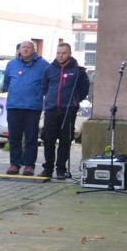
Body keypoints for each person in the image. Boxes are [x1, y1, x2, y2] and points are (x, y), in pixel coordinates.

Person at [39, 43, 90, 179]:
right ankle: (48, 168)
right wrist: (50, 99)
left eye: (64, 53)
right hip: (51, 110)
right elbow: (44, 87)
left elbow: (84, 89)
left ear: (70, 53)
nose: (60, 56)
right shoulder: (49, 69)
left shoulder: (78, 71)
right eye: (58, 53)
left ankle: (61, 169)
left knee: (65, 141)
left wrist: (74, 100)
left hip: (68, 110)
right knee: (48, 140)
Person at [4, 40, 48, 175]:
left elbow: (46, 84)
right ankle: (14, 164)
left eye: (29, 47)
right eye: (23, 47)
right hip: (14, 106)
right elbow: (7, 82)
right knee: (14, 138)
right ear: (19, 50)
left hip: (32, 107)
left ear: (34, 50)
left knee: (31, 138)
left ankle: (29, 165)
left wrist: (36, 94)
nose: (26, 49)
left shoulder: (43, 65)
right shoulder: (11, 64)